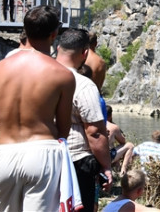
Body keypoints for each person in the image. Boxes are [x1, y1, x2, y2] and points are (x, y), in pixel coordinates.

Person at [0, 5, 76, 211]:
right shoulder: (61, 74)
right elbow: (64, 130)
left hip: (6, 152)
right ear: (54, 34)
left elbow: (0, 118)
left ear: (25, 30)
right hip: (42, 152)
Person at [57, 28, 113, 212]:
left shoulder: (39, 76)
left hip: (45, 155)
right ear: (85, 53)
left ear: (58, 48)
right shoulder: (83, 85)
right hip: (76, 159)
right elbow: (94, 132)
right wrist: (106, 166)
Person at [106, 105, 135, 177]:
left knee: (113, 148)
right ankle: (123, 171)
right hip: (107, 157)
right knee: (130, 145)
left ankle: (117, 170)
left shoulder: (93, 125)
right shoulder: (113, 127)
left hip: (94, 156)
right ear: (110, 115)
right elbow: (123, 142)